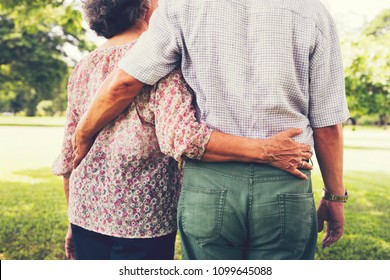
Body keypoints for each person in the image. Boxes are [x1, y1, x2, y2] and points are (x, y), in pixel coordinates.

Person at [72, 0, 348, 260]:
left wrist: (84, 132)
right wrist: (335, 196)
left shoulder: (182, 7)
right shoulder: (313, 12)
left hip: (209, 187)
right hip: (285, 183)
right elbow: (328, 123)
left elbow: (125, 83)